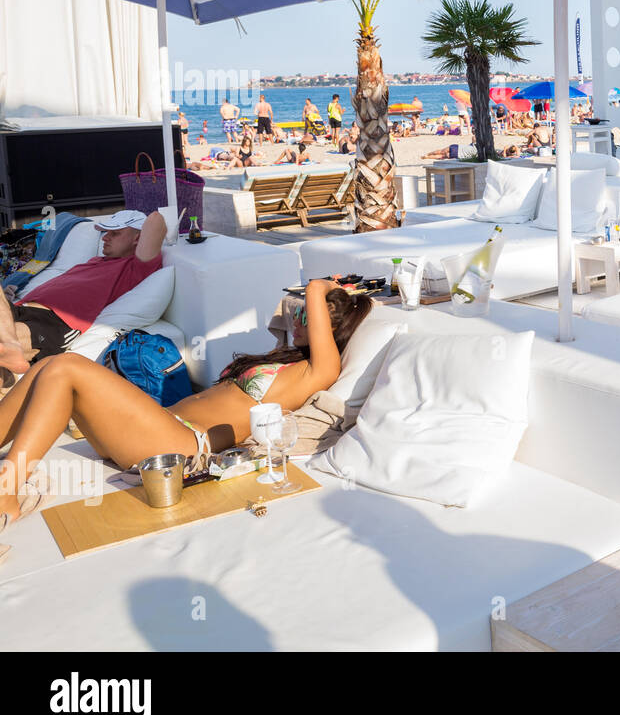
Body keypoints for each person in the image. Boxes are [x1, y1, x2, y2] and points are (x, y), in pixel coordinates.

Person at [0, 280, 372, 530]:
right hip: (154, 430)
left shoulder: (315, 372)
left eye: (309, 316)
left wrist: (320, 287)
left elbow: (315, 308)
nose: (298, 318)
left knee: (66, 366)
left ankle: (9, 492)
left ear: (329, 330)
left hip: (183, 446)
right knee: (50, 366)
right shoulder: (283, 360)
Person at [0, 210, 166, 374]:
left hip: (56, 322)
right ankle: (8, 357)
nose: (105, 238)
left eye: (115, 233)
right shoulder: (97, 261)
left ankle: (10, 357)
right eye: (106, 232)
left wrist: (138, 224)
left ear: (137, 238)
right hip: (21, 308)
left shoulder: (133, 268)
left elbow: (156, 220)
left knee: (8, 340)